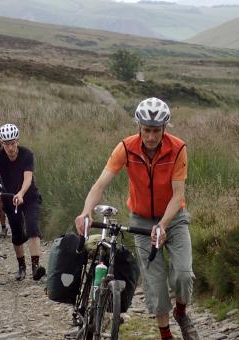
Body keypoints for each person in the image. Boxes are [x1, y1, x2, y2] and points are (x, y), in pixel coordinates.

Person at [74, 97, 199, 340]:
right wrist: (86, 211)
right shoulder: (126, 147)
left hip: (173, 219)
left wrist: (162, 224)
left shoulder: (178, 149)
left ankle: (181, 313)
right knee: (155, 283)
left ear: (165, 128)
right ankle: (166, 334)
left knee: (183, 275)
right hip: (141, 219)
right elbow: (100, 184)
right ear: (138, 127)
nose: (151, 137)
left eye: (156, 131)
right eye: (146, 130)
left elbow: (178, 195)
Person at [0, 123, 46, 281]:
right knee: (17, 233)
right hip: (9, 197)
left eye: (13, 143)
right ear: (2, 144)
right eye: (6, 144)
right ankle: (21, 266)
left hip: (29, 195)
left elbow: (28, 178)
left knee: (32, 227)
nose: (10, 148)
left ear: (17, 141)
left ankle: (35, 266)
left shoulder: (27, 154)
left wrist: (21, 193)